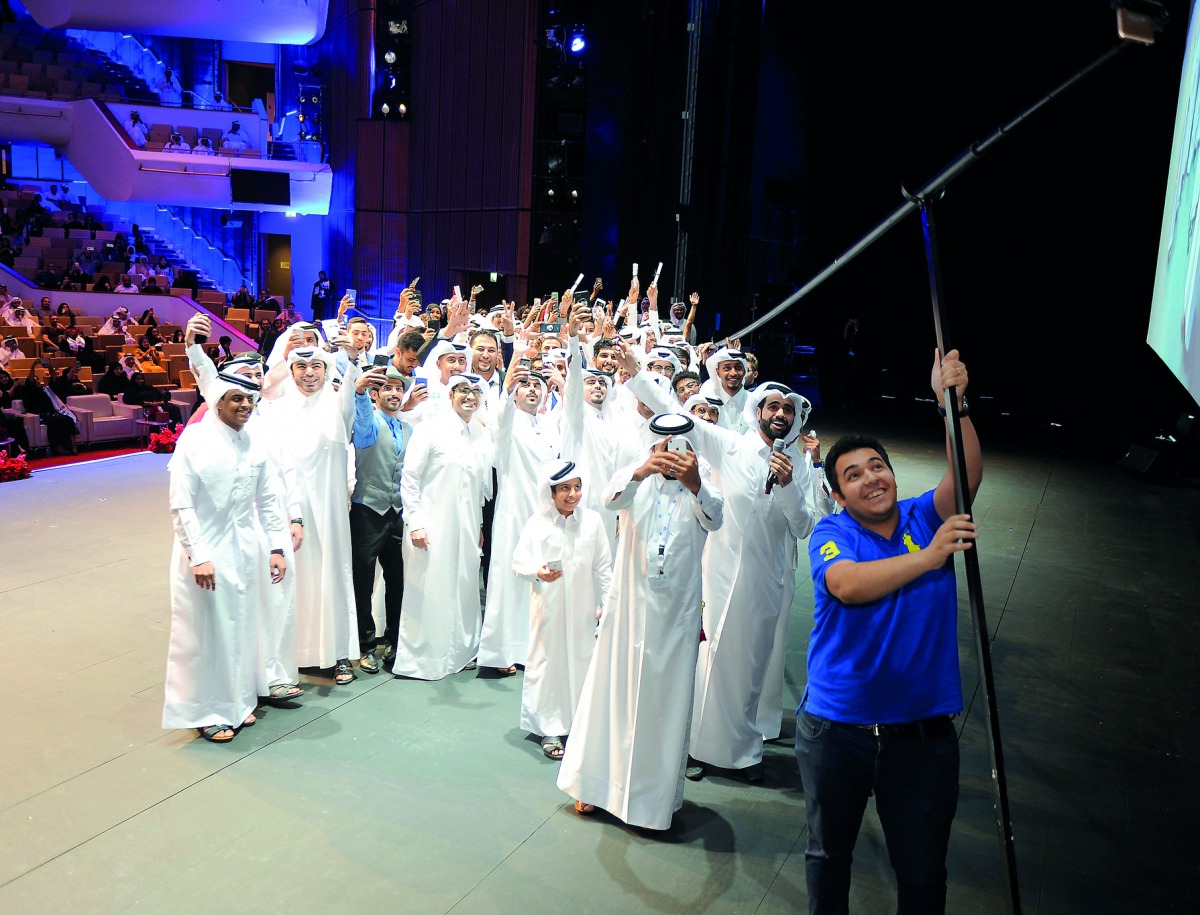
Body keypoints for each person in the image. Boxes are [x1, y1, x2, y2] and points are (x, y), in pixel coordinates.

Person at [795, 349, 982, 914]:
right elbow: (848, 585)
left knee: (923, 872)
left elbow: (967, 476)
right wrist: (928, 559)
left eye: (877, 466)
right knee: (829, 861)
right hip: (837, 733)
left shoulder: (925, 515)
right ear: (837, 493)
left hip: (922, 738)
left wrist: (955, 406)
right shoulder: (831, 533)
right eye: (853, 474)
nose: (871, 479)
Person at [557, 413, 723, 829]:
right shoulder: (634, 479)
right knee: (612, 695)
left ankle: (649, 804)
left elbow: (716, 517)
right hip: (628, 612)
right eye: (664, 446)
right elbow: (611, 499)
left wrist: (696, 483)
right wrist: (640, 470)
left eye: (680, 447)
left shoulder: (703, 487)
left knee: (663, 704)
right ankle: (596, 788)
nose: (672, 455)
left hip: (676, 618)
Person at [162, 369, 288, 743]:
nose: (245, 405)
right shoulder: (195, 440)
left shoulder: (254, 441)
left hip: (245, 548)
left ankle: (236, 702)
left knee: (241, 625)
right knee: (207, 632)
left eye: (250, 399)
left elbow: (267, 500)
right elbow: (181, 505)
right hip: (204, 550)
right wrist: (198, 556)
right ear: (218, 402)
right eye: (237, 398)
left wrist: (277, 546)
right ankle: (206, 711)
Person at [393, 373, 494, 679]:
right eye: (463, 390)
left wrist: (477, 524)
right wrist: (416, 522)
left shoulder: (479, 434)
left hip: (465, 527)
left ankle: (460, 652)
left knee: (462, 587)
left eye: (476, 392)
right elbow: (409, 479)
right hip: (430, 525)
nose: (470, 397)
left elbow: (477, 487)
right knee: (429, 590)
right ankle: (423, 660)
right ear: (451, 394)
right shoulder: (430, 430)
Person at [512, 460, 611, 760]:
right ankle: (549, 727)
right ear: (551, 492)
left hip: (582, 611)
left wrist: (608, 604)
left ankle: (580, 725)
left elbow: (603, 567)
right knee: (548, 664)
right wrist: (537, 572)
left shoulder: (592, 521)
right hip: (548, 611)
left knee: (582, 662)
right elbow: (519, 562)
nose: (573, 495)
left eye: (577, 488)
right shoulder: (537, 523)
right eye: (565, 489)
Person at [349, 364, 411, 673]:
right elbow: (360, 418)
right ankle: (365, 646)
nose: (394, 393)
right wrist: (359, 393)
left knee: (398, 583)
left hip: (397, 514)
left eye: (399, 389)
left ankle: (395, 641)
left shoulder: (409, 429)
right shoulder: (368, 423)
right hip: (367, 512)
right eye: (387, 388)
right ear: (376, 394)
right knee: (362, 583)